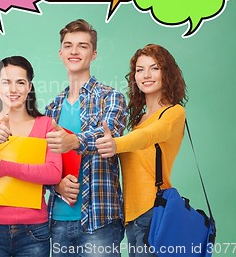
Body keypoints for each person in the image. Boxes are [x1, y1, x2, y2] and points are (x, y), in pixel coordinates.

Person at [45, 19, 128, 257]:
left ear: (94, 54)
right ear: (60, 53)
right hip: (59, 221)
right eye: (68, 45)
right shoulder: (52, 109)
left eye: (82, 46)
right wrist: (56, 185)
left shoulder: (111, 98)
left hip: (99, 220)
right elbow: (42, 162)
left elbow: (107, 137)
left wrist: (75, 141)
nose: (74, 51)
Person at [96, 44, 187, 257]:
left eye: (154, 68)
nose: (146, 75)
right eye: (139, 69)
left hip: (154, 213)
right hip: (132, 218)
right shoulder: (138, 121)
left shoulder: (173, 113)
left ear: (167, 73)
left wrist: (116, 144)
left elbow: (147, 137)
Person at [0, 56, 62, 257]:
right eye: (6, 82)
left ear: (29, 87)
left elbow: (54, 173)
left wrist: (4, 167)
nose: (13, 89)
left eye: (20, 82)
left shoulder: (46, 124)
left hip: (34, 230)